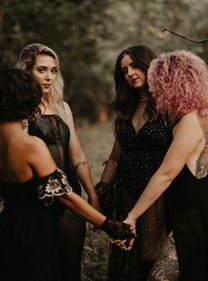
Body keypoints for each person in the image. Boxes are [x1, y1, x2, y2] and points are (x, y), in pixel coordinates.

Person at [0, 68, 134, 281]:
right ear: (26, 99)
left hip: (7, 227)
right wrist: (108, 225)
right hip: (34, 232)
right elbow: (64, 195)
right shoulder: (30, 145)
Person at [123, 50, 208, 281]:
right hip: (199, 206)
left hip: (192, 214)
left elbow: (166, 174)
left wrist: (132, 216)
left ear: (171, 84)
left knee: (161, 277)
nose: (155, 90)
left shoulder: (189, 121)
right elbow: (206, 171)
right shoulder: (202, 116)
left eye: (157, 83)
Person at [16, 43, 99, 281]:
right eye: (42, 70)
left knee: (71, 269)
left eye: (54, 70)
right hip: (35, 201)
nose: (49, 76)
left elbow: (77, 156)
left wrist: (92, 196)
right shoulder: (18, 110)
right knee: (40, 269)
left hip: (71, 199)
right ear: (27, 71)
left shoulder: (63, 108)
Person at [96, 45, 172, 281]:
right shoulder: (125, 110)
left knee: (154, 263)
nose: (129, 73)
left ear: (149, 65)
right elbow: (115, 158)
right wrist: (100, 191)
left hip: (159, 196)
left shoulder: (167, 106)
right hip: (126, 194)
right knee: (127, 264)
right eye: (124, 70)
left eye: (135, 66)